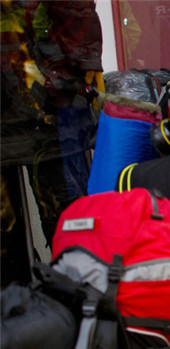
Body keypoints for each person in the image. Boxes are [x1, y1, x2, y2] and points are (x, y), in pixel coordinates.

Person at [1, 0, 103, 287]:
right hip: (41, 100)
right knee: (6, 238)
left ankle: (81, 309)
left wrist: (63, 81)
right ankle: (19, 316)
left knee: (70, 222)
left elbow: (76, 16)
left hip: (48, 109)